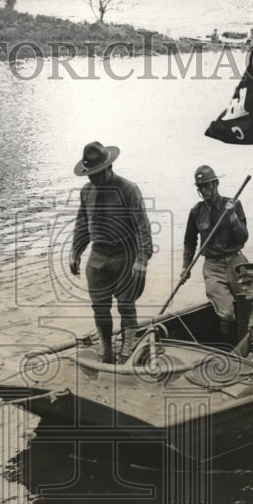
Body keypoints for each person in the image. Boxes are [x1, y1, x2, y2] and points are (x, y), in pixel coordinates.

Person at [70, 141, 153, 363]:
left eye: (98, 173)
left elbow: (143, 228)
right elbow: (82, 223)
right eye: (90, 174)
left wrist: (142, 260)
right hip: (99, 254)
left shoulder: (129, 190)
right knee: (99, 306)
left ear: (109, 168)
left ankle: (127, 349)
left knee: (126, 304)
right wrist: (75, 251)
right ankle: (106, 349)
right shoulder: (86, 191)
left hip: (125, 252)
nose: (94, 178)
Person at [180, 165, 249, 343]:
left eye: (207, 186)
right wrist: (185, 267)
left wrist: (232, 216)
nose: (204, 190)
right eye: (200, 187)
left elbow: (243, 237)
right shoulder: (196, 211)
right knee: (226, 314)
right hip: (213, 267)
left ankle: (250, 346)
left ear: (216, 184)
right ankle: (231, 346)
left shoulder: (234, 204)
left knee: (250, 306)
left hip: (236, 261)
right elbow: (189, 242)